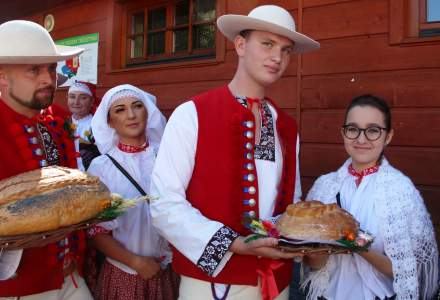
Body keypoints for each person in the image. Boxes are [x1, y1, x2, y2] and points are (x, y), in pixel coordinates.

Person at [150, 5, 319, 300]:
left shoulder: (287, 127)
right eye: (267, 43)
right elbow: (164, 204)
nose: (277, 57)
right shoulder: (192, 114)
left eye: (286, 49)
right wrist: (236, 244)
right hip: (212, 285)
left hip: (275, 283)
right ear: (240, 45)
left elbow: (291, 202)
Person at [302, 95, 439, 300]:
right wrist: (314, 251)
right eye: (353, 129)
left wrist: (356, 244)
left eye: (373, 130)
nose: (361, 139)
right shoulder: (324, 187)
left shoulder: (401, 191)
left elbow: (406, 271)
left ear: (388, 136)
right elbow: (315, 265)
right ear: (343, 132)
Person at [0, 20, 93, 299]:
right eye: (34, 70)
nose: (48, 79)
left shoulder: (60, 119)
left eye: (51, 68)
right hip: (19, 286)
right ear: (2, 76)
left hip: (70, 275)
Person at [87, 84, 179, 299]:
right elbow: (95, 232)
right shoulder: (102, 167)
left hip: (170, 271)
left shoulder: (167, 156)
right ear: (109, 121)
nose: (131, 115)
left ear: (148, 111)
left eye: (137, 106)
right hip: (125, 273)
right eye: (120, 110)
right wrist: (137, 262)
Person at [66, 80, 100, 170]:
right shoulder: (61, 125)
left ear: (92, 101)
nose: (76, 102)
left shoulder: (99, 125)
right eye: (72, 97)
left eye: (83, 98)